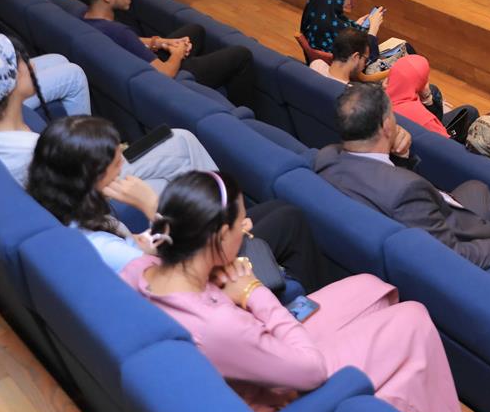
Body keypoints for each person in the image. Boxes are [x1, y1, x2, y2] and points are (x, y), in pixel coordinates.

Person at [120, 171, 481, 412]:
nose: (247, 226)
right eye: (240, 222)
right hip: (280, 396)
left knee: (370, 288)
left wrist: (216, 283)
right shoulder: (218, 326)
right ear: (217, 237)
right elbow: (311, 369)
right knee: (412, 318)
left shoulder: (141, 268)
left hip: (249, 353)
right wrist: (253, 291)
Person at [314, 83, 490, 280]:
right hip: (459, 260)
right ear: (385, 126)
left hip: (429, 224)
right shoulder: (405, 191)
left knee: (477, 190)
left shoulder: (327, 157)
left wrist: (401, 158)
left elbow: (386, 187)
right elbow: (448, 257)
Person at [28, 120, 325, 291]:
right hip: (194, 275)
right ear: (92, 175)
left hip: (170, 251)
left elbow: (140, 246)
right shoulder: (106, 249)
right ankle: (303, 301)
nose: (122, 167)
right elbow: (175, 276)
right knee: (290, 219)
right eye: (116, 161)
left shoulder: (67, 209)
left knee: (277, 209)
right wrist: (152, 207)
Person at [0, 34, 216, 191]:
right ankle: (230, 224)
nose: (31, 65)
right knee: (182, 139)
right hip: (92, 188)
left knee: (170, 169)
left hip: (84, 177)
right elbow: (80, 190)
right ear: (6, 82)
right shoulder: (29, 151)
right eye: (21, 61)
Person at [80, 0, 255, 107]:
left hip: (139, 69)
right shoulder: (119, 32)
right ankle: (241, 114)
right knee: (241, 54)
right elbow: (165, 74)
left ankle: (204, 87)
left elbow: (129, 42)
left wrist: (162, 42)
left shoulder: (87, 20)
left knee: (195, 30)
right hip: (160, 84)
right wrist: (177, 53)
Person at [385, 54, 478, 142]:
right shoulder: (424, 119)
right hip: (434, 144)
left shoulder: (380, 97)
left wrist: (427, 99)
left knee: (434, 91)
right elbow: (447, 146)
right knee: (471, 112)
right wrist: (427, 98)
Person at [300, 0, 384, 56]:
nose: (351, 2)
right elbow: (368, 57)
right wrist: (373, 29)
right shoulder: (331, 24)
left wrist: (354, 27)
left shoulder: (316, 10)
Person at [308, 26, 387, 85]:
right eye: (365, 60)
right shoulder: (352, 94)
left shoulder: (316, 65)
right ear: (356, 57)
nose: (364, 66)